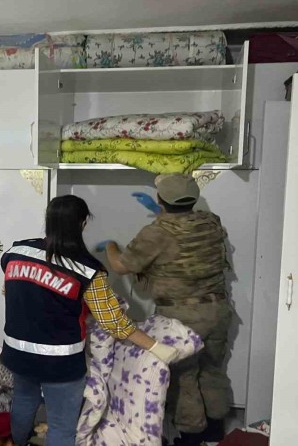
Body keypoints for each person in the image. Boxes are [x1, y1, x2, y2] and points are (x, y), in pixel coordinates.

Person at [0, 195, 187, 446]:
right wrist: (156, 347)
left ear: (48, 220)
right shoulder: (86, 270)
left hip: (17, 352)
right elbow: (113, 322)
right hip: (59, 363)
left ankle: (16, 442)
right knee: (61, 425)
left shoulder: (16, 252)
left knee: (24, 400)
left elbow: (8, 290)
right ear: (83, 223)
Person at [99, 173, 232, 444]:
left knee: (184, 376)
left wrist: (111, 246)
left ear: (160, 198)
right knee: (212, 369)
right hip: (218, 309)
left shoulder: (156, 233)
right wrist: (163, 211)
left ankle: (191, 437)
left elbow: (121, 265)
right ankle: (215, 430)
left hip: (183, 316)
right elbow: (184, 228)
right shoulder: (211, 221)